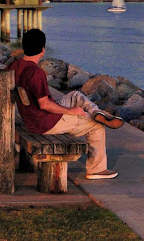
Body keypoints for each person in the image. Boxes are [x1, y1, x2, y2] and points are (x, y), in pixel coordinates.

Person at [9, 29, 123, 180]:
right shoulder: (36, 72)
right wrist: (71, 111)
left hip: (31, 117)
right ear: (43, 50)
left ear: (24, 47)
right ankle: (97, 169)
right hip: (44, 123)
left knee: (75, 95)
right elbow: (44, 104)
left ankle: (97, 112)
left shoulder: (15, 65)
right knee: (96, 126)